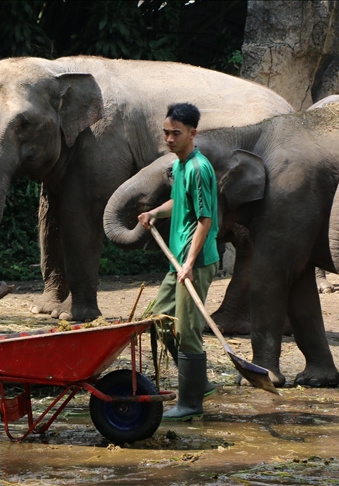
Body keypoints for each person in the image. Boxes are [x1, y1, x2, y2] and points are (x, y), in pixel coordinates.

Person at [137, 103, 220, 421]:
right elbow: (181, 201)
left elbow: (204, 220)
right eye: (166, 133)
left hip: (194, 264)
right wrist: (155, 212)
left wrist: (189, 263)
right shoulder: (181, 165)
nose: (169, 139)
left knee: (187, 331)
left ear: (192, 133)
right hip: (179, 263)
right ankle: (202, 385)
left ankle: (190, 403)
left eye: (176, 133)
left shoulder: (199, 168)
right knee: (157, 321)